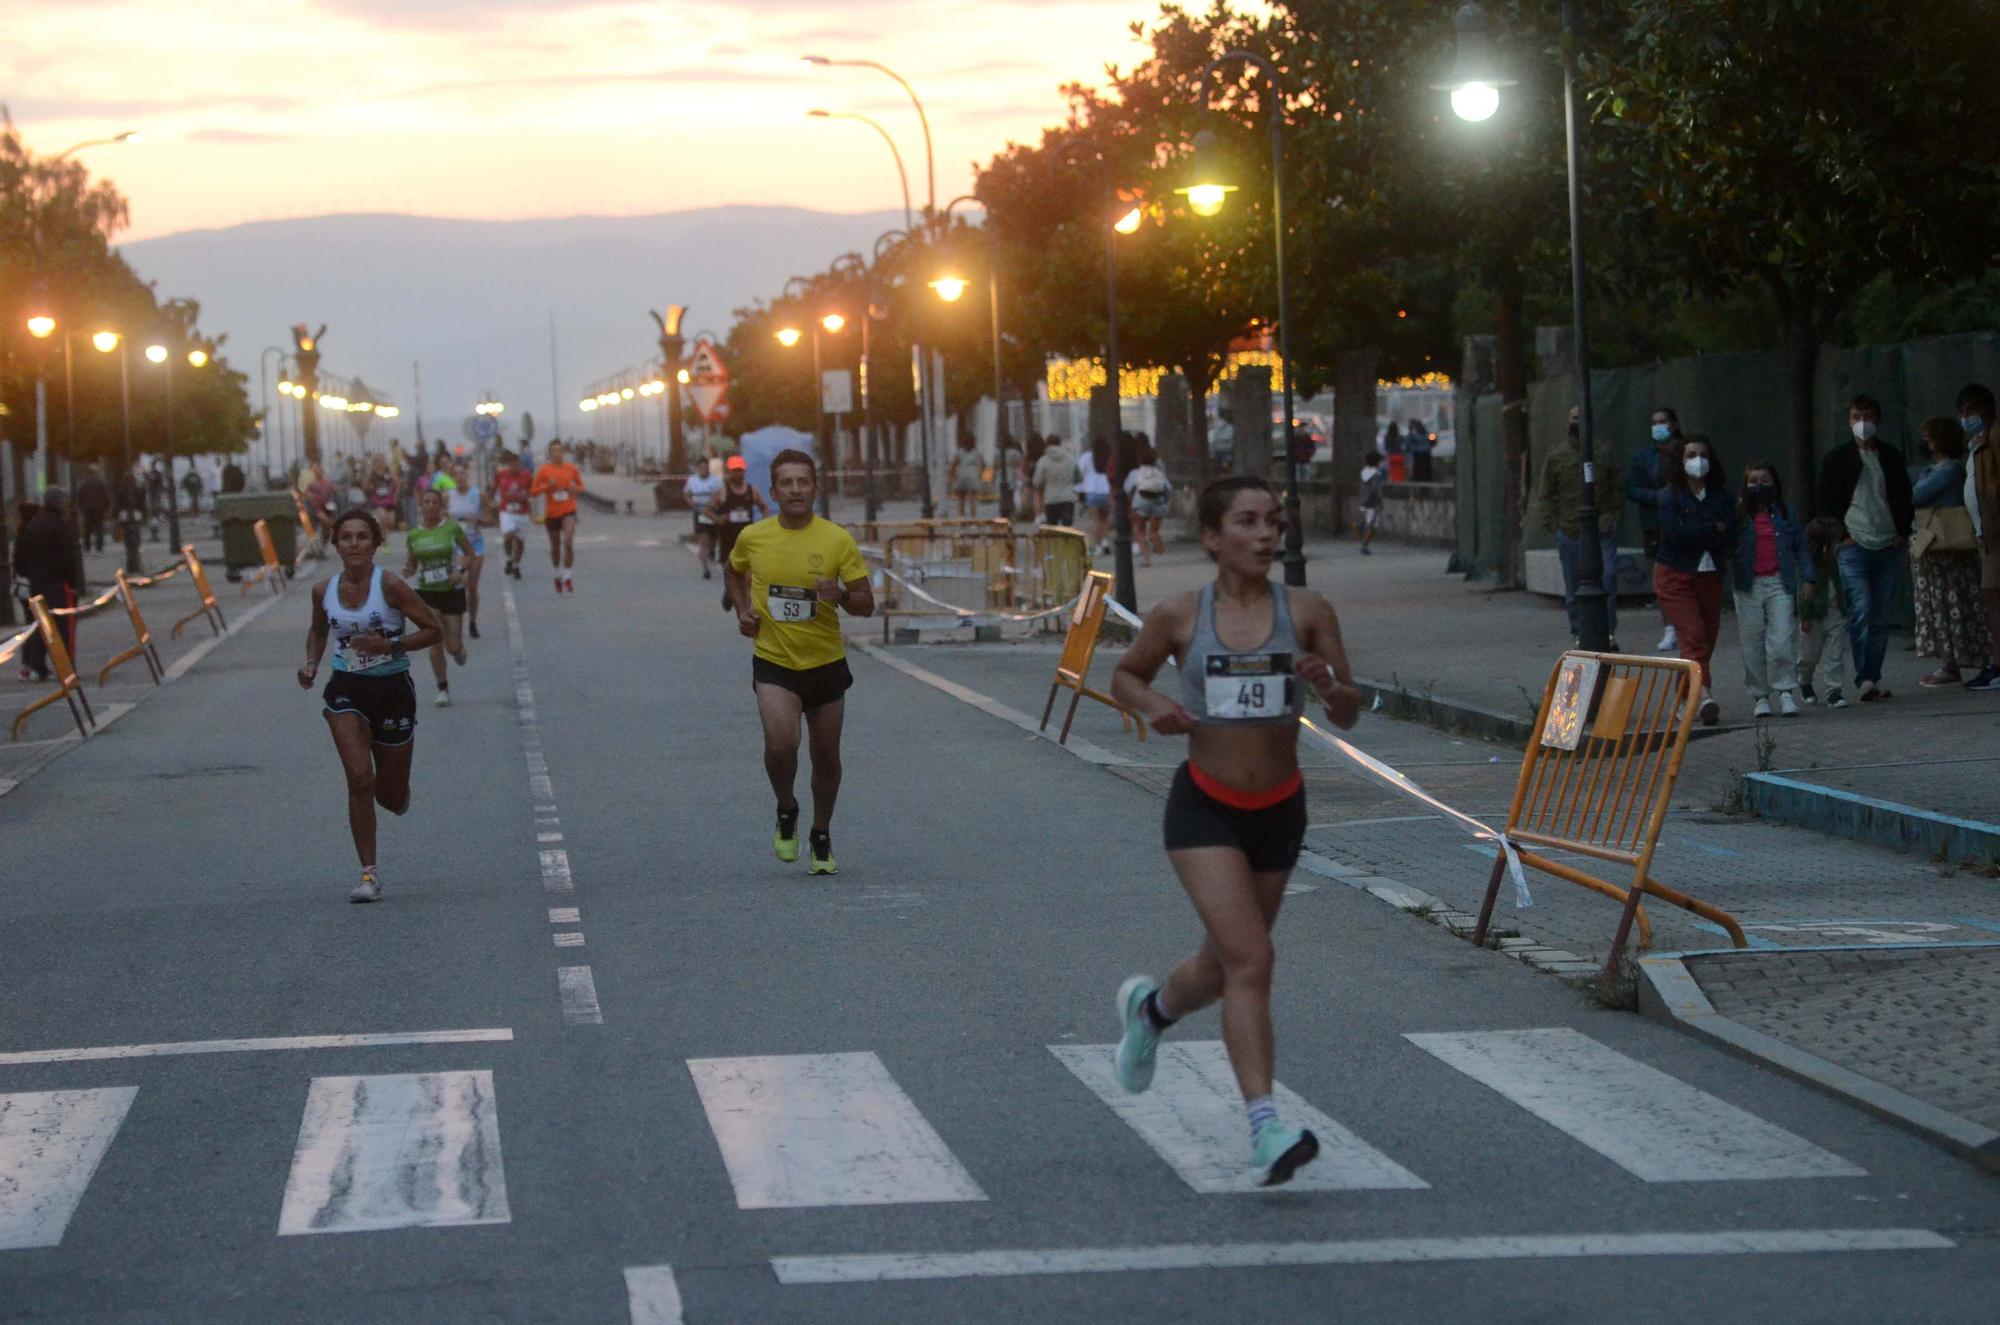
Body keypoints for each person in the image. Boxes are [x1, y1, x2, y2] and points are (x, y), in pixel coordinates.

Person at [1107, 475, 1362, 1187]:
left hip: (1280, 807)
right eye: (1247, 522)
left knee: (1223, 968)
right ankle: (1265, 1128)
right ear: (1214, 536)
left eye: (1273, 522)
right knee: (1253, 959)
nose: (1265, 535)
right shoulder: (1180, 615)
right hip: (1205, 807)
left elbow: (1350, 709)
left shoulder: (1308, 610)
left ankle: (1151, 1011)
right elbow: (1124, 674)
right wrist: (1153, 702)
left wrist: (1328, 685)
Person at [723, 449, 874, 875]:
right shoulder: (754, 537)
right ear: (772, 491)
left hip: (826, 663)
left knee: (826, 756)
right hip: (775, 663)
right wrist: (742, 611)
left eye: (802, 482)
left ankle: (821, 835)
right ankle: (786, 807)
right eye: (786, 483)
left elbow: (867, 604)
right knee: (781, 746)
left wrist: (841, 595)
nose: (794, 490)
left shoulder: (836, 540)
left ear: (815, 489)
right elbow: (732, 571)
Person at [298, 510, 441, 902]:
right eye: (347, 537)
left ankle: (396, 793)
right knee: (360, 778)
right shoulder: (322, 591)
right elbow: (318, 629)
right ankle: (368, 874)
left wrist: (390, 645)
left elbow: (433, 629)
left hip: (393, 691)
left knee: (390, 798)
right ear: (337, 545)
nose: (355, 543)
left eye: (363, 537)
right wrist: (312, 662)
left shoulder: (390, 586)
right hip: (346, 688)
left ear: (376, 544)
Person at [1815, 394, 1913, 702]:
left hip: (1887, 543)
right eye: (1856, 417)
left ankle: (1872, 674)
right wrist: (1840, 536)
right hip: (1854, 544)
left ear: (1878, 421)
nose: (1862, 424)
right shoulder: (1838, 459)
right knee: (1862, 608)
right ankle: (1863, 676)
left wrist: (1900, 532)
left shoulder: (1890, 457)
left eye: (1867, 417)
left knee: (1881, 614)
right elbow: (1826, 500)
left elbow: (1903, 496)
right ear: (1849, 421)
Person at [1653, 436, 1735, 725]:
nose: (1698, 460)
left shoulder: (1721, 496)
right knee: (1694, 636)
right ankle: (1705, 697)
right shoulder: (1669, 496)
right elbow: (1674, 535)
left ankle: (1682, 698)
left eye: (1703, 454)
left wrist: (1699, 528)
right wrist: (1711, 526)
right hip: (1675, 574)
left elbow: (1728, 532)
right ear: (1680, 459)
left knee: (1703, 642)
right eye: (1691, 454)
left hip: (1709, 575)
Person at [1908, 416, 1985, 687]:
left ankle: (1951, 663)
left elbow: (1915, 496)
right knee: (1944, 606)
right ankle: (1949, 660)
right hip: (1936, 549)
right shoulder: (1942, 469)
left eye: (1928, 438)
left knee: (1949, 605)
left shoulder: (1949, 470)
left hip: (1945, 547)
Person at [1539, 406, 1621, 647]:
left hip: (1602, 529)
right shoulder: (1556, 456)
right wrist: (1555, 527)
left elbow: (1617, 487)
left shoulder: (1604, 452)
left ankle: (1607, 632)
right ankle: (1579, 633)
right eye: (1575, 418)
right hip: (1571, 530)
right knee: (1574, 585)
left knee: (1607, 579)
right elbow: (1546, 495)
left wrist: (1613, 517)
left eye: (1583, 418)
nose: (1579, 422)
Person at [1731, 462, 1808, 718]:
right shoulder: (1739, 515)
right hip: (1748, 584)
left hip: (1779, 581)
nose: (1759, 486)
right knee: (1751, 641)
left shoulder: (1785, 513)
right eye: (1753, 481)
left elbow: (1801, 545)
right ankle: (1760, 696)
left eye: (1764, 480)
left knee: (1782, 639)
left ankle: (1786, 691)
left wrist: (1809, 577)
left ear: (1774, 483)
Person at [402, 487, 475, 707]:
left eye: (435, 502)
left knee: (451, 645)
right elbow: (412, 562)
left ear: (441, 506)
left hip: (451, 590)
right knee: (434, 641)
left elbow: (470, 554)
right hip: (427, 593)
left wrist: (460, 572)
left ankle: (458, 650)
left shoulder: (452, 529)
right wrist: (409, 570)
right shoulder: (414, 534)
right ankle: (442, 689)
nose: (431, 506)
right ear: (421, 506)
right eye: (427, 502)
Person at [1626, 406, 1686, 652]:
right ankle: (1670, 628)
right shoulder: (1643, 457)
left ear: (1673, 424)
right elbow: (1631, 489)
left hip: (1685, 520)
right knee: (1664, 578)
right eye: (1654, 422)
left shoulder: (1686, 451)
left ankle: (1688, 625)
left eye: (1662, 421)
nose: (1658, 426)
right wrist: (1657, 497)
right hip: (1655, 524)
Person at [13, 489, 82, 683]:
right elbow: (69, 558)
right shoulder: (61, 525)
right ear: (58, 502)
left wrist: (31, 575)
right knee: (64, 626)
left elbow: (22, 559)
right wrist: (74, 583)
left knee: (41, 625)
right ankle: (66, 666)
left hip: (37, 582)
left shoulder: (33, 525)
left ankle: (37, 665)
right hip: (59, 583)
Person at [1958, 384, 2000, 691]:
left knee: (1993, 598)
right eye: (1962, 412)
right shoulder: (1978, 443)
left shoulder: (1995, 437)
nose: (1966, 417)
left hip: (1995, 535)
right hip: (1987, 534)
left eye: (1971, 411)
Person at [1798, 517, 1853, 709]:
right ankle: (1804, 681)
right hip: (1814, 615)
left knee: (1835, 654)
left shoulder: (1835, 560)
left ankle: (1834, 691)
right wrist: (1804, 616)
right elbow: (1803, 593)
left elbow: (1840, 585)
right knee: (1808, 656)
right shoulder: (1809, 564)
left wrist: (1845, 608)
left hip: (1835, 612)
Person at [707, 455, 770, 611]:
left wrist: (763, 525)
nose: (737, 474)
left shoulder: (752, 490)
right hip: (727, 539)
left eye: (740, 471)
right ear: (729, 472)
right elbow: (707, 510)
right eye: (734, 471)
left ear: (744, 471)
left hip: (746, 539)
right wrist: (718, 518)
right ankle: (729, 592)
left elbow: (764, 507)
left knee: (748, 577)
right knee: (730, 572)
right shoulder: (722, 491)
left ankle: (746, 609)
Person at [532, 440, 585, 592]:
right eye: (554, 451)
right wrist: (548, 485)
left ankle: (568, 575)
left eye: (559, 450)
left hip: (568, 510)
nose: (557, 453)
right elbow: (534, 491)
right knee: (555, 547)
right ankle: (557, 573)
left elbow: (581, 486)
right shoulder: (544, 470)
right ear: (550, 453)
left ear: (563, 452)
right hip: (552, 513)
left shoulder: (571, 468)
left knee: (568, 541)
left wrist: (574, 488)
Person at [443, 461, 487, 639]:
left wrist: (478, 519)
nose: (460, 477)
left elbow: (490, 516)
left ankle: (473, 622)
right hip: (458, 547)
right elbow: (442, 517)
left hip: (476, 545)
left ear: (466, 475)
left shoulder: (478, 494)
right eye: (456, 474)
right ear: (453, 478)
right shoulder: (448, 496)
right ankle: (457, 620)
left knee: (472, 587)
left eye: (462, 473)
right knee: (464, 582)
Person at [1124, 441, 1173, 566]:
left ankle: (1147, 559)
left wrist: (1129, 504)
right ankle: (1162, 556)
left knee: (1140, 532)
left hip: (1141, 501)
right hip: (1158, 501)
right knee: (1154, 532)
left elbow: (1127, 488)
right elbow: (1168, 488)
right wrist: (1165, 501)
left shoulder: (1136, 473)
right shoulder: (1159, 473)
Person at [492, 451, 534, 580]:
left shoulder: (527, 475)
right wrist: (491, 502)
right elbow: (493, 489)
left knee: (520, 541)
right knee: (509, 535)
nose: (514, 466)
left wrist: (526, 494)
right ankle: (509, 558)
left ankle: (516, 565)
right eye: (512, 463)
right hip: (507, 510)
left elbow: (532, 490)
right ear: (508, 464)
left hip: (522, 511)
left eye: (517, 463)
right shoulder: (501, 475)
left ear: (520, 464)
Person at [684, 454, 723, 580]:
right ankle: (705, 568)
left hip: (713, 512)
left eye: (706, 468)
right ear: (697, 469)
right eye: (701, 468)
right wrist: (690, 501)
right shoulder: (692, 480)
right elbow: (686, 494)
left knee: (712, 540)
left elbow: (721, 495)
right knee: (703, 541)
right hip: (699, 513)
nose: (703, 470)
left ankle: (712, 550)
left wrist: (713, 502)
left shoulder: (716, 480)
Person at [1034, 433, 1080, 528]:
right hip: (1067, 497)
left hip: (1051, 498)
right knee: (1068, 529)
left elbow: (1037, 482)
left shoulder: (1043, 460)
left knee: (1052, 530)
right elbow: (1079, 477)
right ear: (1060, 443)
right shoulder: (1070, 459)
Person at [1080, 437, 1114, 554]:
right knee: (1105, 520)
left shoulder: (1087, 457)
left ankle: (1098, 545)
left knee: (1096, 521)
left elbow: (1080, 473)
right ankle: (1105, 540)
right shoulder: (1110, 457)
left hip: (1091, 492)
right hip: (1106, 491)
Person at [74, 463, 110, 553]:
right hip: (99, 509)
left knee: (87, 528)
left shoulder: (83, 483)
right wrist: (107, 507)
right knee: (99, 528)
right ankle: (99, 547)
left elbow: (79, 496)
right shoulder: (101, 483)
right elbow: (105, 496)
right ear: (96, 472)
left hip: (87, 509)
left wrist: (79, 507)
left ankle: (87, 547)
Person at [1358, 450, 1387, 555]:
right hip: (1372, 503)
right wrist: (1379, 502)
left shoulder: (1364, 472)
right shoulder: (1376, 474)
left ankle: (1363, 540)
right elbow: (1376, 490)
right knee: (1372, 525)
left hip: (1363, 500)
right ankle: (1365, 545)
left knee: (1367, 523)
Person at [951, 434, 985, 517]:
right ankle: (973, 518)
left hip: (962, 475)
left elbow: (954, 464)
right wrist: (980, 474)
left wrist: (953, 476)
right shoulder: (976, 452)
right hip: (973, 475)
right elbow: (983, 464)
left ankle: (962, 518)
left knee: (961, 499)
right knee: (973, 499)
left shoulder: (959, 452)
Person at [366, 460, 402, 533]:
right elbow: (366, 486)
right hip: (378, 502)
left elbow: (398, 483)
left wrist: (396, 495)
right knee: (383, 517)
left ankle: (385, 533)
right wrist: (369, 474)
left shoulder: (389, 473)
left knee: (391, 521)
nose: (380, 463)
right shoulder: (373, 475)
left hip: (390, 502)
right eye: (378, 461)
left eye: (382, 461)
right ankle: (383, 537)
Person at [1408, 418, 1436, 483]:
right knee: (1423, 471)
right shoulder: (1416, 434)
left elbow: (1433, 441)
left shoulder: (1416, 435)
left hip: (1421, 454)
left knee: (1422, 471)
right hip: (1422, 454)